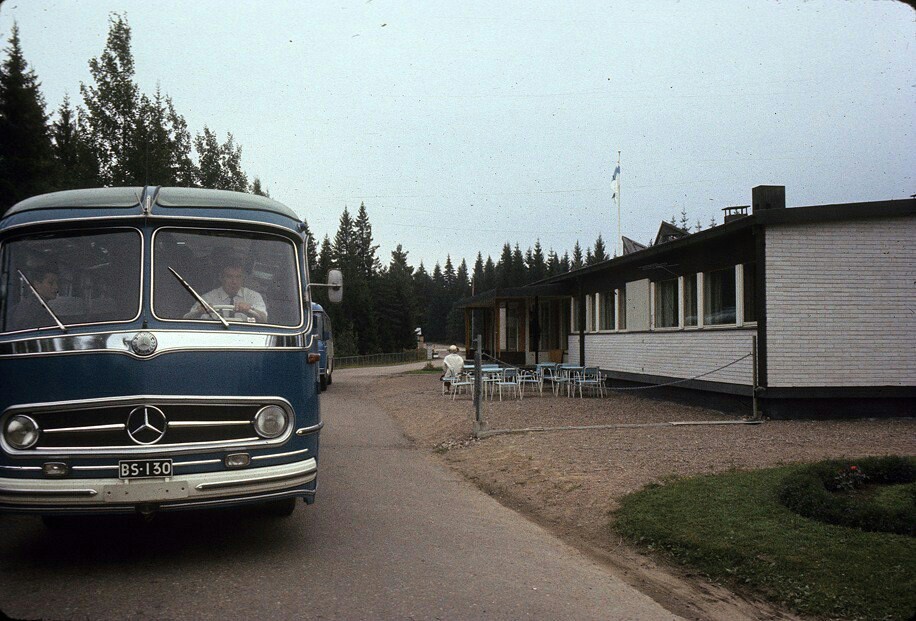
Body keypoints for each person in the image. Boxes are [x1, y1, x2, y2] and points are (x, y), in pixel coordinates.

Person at [184, 264, 268, 323]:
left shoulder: (253, 296)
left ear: (243, 279)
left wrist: (251, 309)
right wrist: (199, 311)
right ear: (221, 278)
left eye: (238, 277)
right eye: (229, 277)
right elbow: (187, 320)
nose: (234, 282)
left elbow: (264, 319)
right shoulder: (208, 298)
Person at [9, 266, 60, 331]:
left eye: (57, 283)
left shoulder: (36, 306)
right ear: (37, 285)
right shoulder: (32, 309)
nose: (56, 287)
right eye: (50, 283)